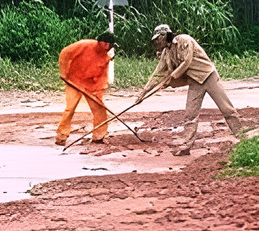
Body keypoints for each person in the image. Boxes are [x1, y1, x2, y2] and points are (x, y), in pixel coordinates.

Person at [139, 24, 244, 155]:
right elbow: (158, 73)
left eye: (157, 39)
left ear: (164, 36)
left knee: (226, 108)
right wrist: (143, 94)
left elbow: (186, 62)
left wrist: (171, 77)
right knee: (190, 115)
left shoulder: (184, 40)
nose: (156, 42)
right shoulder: (166, 53)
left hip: (207, 75)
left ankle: (242, 137)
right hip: (195, 82)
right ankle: (186, 147)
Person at [56, 32, 115, 145]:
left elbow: (102, 78)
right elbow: (64, 54)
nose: (110, 48)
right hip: (73, 81)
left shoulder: (105, 57)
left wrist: (98, 94)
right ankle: (61, 136)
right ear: (105, 43)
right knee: (70, 108)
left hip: (90, 86)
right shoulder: (83, 45)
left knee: (99, 108)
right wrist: (63, 73)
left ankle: (99, 135)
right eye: (110, 45)